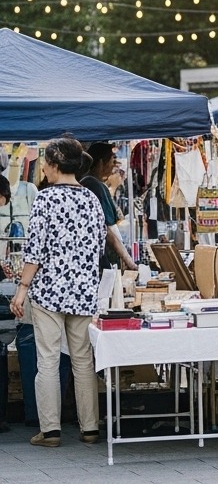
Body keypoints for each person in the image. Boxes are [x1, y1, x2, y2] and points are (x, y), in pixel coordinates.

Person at [8, 138, 103, 448]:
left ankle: (50, 431)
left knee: (48, 360)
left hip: (49, 290)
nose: (44, 168)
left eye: (46, 163)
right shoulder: (91, 198)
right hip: (83, 290)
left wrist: (22, 289)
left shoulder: (46, 199)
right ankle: (90, 428)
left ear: (55, 165)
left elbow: (35, 250)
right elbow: (98, 245)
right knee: (83, 361)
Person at [78, 142, 138, 271]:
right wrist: (127, 259)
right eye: (112, 159)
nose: (114, 164)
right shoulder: (94, 186)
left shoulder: (89, 183)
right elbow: (108, 228)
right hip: (102, 257)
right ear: (101, 163)